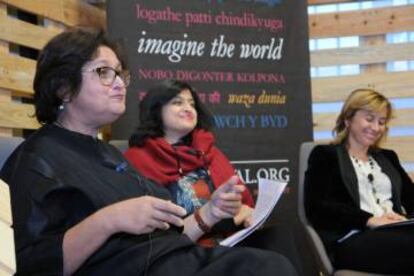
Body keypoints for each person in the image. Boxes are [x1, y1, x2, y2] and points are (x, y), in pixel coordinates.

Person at [0, 27, 297, 276]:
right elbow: (30, 264)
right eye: (104, 72)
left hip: (174, 261)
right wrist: (109, 220)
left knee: (278, 246)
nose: (119, 84)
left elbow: (169, 239)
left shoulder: (109, 155)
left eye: (120, 74)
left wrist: (211, 211)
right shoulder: (35, 159)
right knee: (267, 267)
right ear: (63, 88)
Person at [124, 80, 254, 245]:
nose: (188, 109)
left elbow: (243, 204)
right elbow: (151, 237)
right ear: (156, 110)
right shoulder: (137, 159)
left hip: (230, 240)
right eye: (178, 102)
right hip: (178, 251)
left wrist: (248, 214)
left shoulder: (209, 150)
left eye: (192, 104)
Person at [305, 88, 414, 274]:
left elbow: (411, 198)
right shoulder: (325, 155)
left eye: (381, 122)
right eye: (369, 119)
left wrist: (403, 219)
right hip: (353, 239)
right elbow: (318, 207)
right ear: (348, 119)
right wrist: (369, 220)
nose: (376, 127)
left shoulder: (388, 157)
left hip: (395, 232)